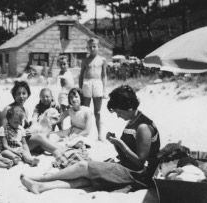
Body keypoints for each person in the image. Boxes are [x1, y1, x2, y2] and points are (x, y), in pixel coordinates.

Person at [20, 85, 160, 194]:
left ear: (129, 107)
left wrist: (120, 144)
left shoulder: (143, 127)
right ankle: (41, 186)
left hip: (137, 175)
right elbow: (130, 154)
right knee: (86, 178)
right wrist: (115, 143)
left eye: (119, 112)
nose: (118, 116)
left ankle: (39, 178)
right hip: (129, 167)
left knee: (83, 166)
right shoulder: (134, 120)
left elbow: (140, 162)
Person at [0, 81, 62, 154]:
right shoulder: (8, 109)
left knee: (45, 136)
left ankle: (62, 149)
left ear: (28, 95)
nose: (21, 96)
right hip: (12, 145)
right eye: (18, 93)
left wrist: (28, 131)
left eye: (24, 93)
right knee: (39, 137)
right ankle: (63, 151)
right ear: (14, 95)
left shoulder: (24, 110)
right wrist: (22, 133)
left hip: (23, 141)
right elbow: (3, 132)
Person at [79, 38, 107, 142]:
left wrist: (104, 90)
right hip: (87, 83)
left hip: (97, 83)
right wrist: (80, 89)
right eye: (90, 47)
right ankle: (83, 134)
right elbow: (81, 75)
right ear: (87, 48)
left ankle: (100, 135)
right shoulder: (85, 60)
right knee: (85, 110)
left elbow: (104, 75)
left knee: (98, 112)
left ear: (98, 47)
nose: (92, 48)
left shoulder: (102, 60)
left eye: (94, 46)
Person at [56, 55, 74, 124]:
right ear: (58, 65)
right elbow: (57, 87)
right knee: (63, 112)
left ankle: (72, 126)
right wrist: (57, 98)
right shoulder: (59, 75)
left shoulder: (69, 73)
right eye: (61, 64)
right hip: (63, 94)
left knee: (72, 111)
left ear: (68, 63)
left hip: (70, 94)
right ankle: (61, 124)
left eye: (64, 64)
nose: (63, 66)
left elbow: (72, 83)